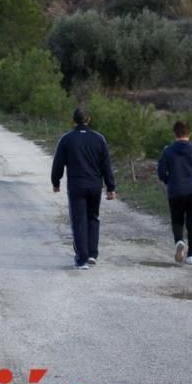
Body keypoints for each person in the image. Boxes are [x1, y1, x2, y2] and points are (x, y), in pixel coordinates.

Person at [50, 107, 116, 270]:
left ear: (73, 121)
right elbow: (106, 165)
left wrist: (56, 181)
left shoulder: (66, 139)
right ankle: (92, 254)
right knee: (93, 217)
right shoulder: (99, 139)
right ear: (89, 119)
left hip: (76, 185)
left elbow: (58, 163)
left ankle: (82, 259)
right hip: (94, 185)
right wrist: (110, 187)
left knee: (79, 220)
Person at [157, 120, 192, 265]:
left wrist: (169, 180)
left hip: (176, 191)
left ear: (174, 133)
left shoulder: (167, 151)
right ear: (190, 133)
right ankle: (191, 256)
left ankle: (179, 241)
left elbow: (161, 172)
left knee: (177, 220)